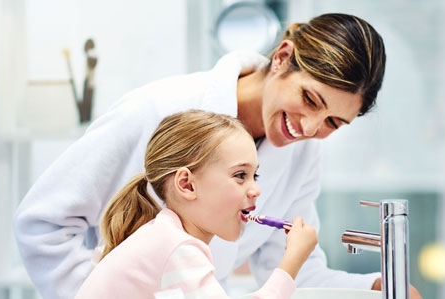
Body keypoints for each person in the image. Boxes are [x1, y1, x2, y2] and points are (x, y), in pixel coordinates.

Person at [14, 13, 422, 298]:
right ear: (281, 58)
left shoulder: (302, 155)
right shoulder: (157, 109)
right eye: (310, 99)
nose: (312, 128)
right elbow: (43, 223)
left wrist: (373, 288)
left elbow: (293, 269)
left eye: (334, 123)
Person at [75, 110, 318, 298]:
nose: (256, 190)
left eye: (255, 176)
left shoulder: (163, 237)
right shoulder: (178, 250)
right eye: (240, 175)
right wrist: (291, 262)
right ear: (187, 185)